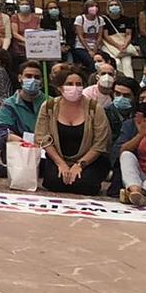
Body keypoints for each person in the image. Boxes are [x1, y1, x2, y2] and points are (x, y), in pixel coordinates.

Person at [33, 66, 112, 196]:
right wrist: (61, 163)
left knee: (85, 185)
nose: (74, 87)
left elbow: (100, 143)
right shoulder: (49, 107)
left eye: (78, 84)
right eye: (69, 84)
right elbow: (42, 138)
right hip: (58, 158)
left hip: (89, 160)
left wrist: (79, 165)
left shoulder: (94, 108)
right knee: (54, 182)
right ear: (60, 87)